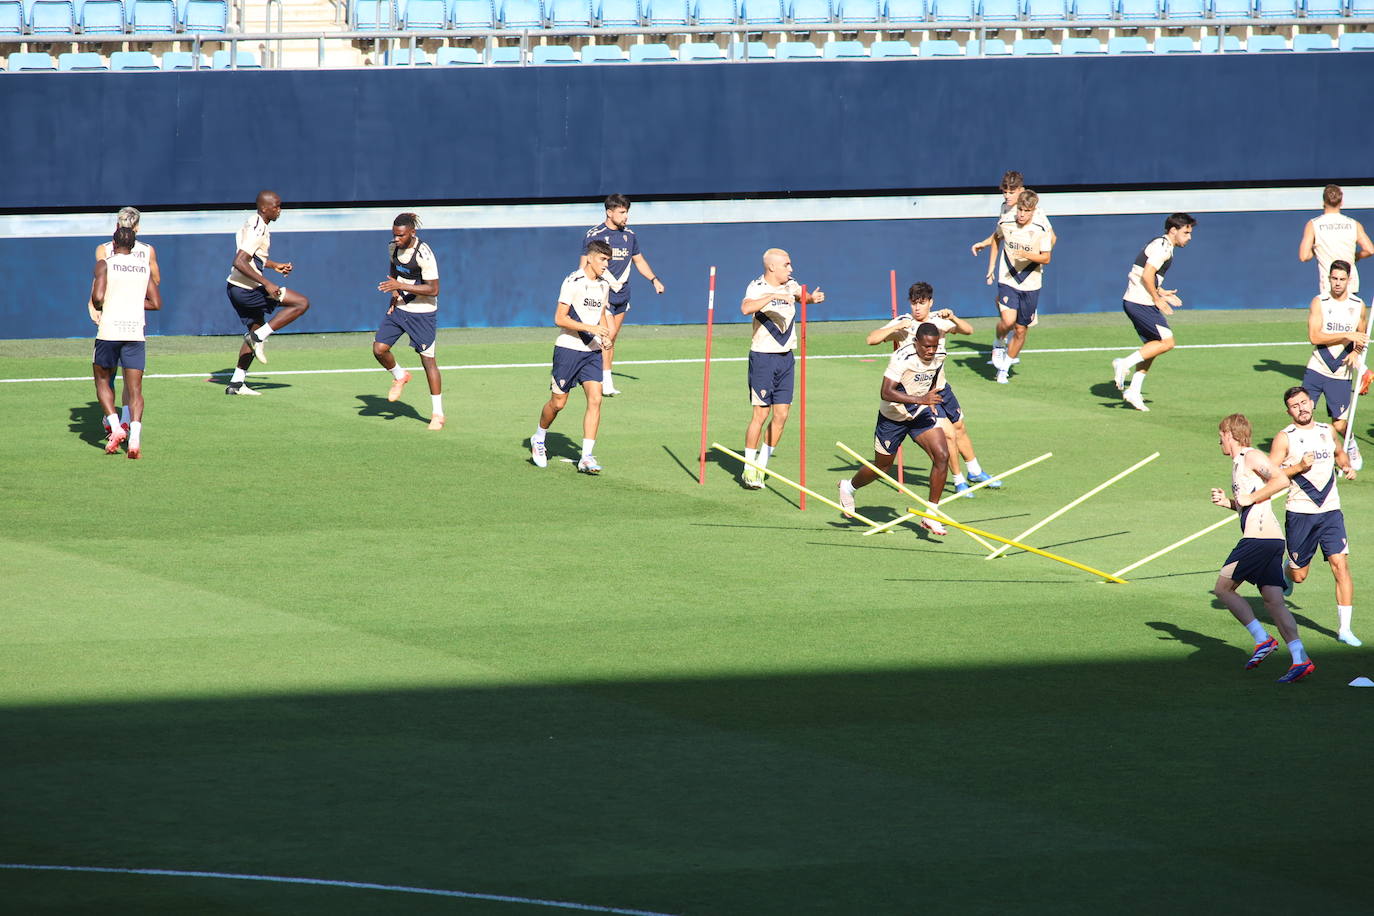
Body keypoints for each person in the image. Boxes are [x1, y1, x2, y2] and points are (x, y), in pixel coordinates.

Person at [865, 282, 1001, 498]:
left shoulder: (939, 319)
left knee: (959, 427)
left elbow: (968, 330)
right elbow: (871, 339)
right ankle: (958, 481)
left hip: (941, 386)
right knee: (946, 434)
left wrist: (953, 317)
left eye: (922, 303)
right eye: (914, 303)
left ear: (931, 303)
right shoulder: (904, 323)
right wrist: (896, 328)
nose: (917, 308)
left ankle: (975, 471)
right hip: (917, 393)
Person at [1211, 413, 1314, 683]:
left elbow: (1280, 480)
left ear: (1230, 433)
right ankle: (1300, 658)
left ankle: (1262, 640)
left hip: (1258, 539)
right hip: (1269, 539)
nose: (1219, 440)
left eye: (1221, 435)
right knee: (1273, 601)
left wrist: (1249, 497)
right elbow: (1250, 501)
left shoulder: (1250, 456)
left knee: (1223, 588)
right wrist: (1229, 503)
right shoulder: (1238, 463)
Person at [1269, 386, 1361, 647]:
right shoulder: (1284, 438)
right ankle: (1287, 570)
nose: (1302, 408)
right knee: (1300, 575)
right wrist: (1298, 467)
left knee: (1340, 565)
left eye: (1304, 403)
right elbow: (1270, 473)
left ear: (1312, 403)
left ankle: (1345, 628)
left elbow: (1340, 454)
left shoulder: (1327, 431)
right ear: (1289, 411)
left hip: (1331, 511)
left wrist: (1346, 466)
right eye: (1295, 406)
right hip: (1300, 513)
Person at [838, 323, 950, 535]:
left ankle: (931, 514)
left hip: (920, 412)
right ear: (916, 342)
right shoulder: (901, 358)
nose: (930, 351)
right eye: (926, 346)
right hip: (892, 418)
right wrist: (921, 398)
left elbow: (935, 376)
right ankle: (848, 487)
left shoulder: (940, 353)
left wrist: (930, 398)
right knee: (882, 467)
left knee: (942, 455)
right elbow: (886, 392)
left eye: (934, 346)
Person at [739, 248, 825, 489]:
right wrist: (772, 297)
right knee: (761, 414)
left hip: (786, 358)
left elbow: (801, 296)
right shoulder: (757, 286)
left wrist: (811, 298)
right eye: (787, 265)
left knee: (782, 415)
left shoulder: (791, 284)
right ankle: (748, 468)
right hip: (763, 358)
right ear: (772, 268)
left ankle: (761, 466)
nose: (791, 269)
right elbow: (746, 308)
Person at [530, 240, 615, 474]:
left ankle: (586, 457)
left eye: (608, 261)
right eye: (602, 259)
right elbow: (559, 318)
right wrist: (591, 327)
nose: (606, 265)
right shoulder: (573, 282)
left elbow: (601, 315)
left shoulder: (603, 286)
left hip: (592, 352)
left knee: (596, 399)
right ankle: (539, 438)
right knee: (558, 403)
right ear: (590, 258)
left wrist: (605, 335)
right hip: (568, 349)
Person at [224, 190, 311, 395]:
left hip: (236, 288)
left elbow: (253, 257)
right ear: (264, 208)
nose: (279, 210)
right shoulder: (257, 229)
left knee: (255, 329)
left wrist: (274, 266)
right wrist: (268, 283)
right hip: (247, 290)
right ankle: (258, 337)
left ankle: (236, 384)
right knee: (301, 303)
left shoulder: (254, 222)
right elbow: (239, 261)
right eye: (276, 206)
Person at [1111, 212, 1197, 412]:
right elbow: (1148, 274)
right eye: (1186, 232)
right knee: (1167, 342)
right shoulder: (1163, 247)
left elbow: (1144, 274)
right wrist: (1158, 300)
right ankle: (1124, 363)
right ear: (1173, 230)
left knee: (1153, 345)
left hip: (1138, 300)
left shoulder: (1162, 244)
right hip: (1140, 302)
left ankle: (1134, 389)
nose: (1189, 237)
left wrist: (1161, 292)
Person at [969, 172, 1056, 370]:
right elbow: (1001, 234)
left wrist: (1032, 252)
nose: (1007, 196)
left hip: (1030, 273)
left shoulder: (1037, 213)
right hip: (1009, 271)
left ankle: (1008, 353)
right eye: (1005, 192)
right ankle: (999, 343)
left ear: (1022, 191)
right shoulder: (1006, 210)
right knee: (1008, 317)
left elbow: (1052, 239)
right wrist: (986, 249)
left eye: (1012, 191)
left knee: (1020, 327)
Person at [581, 194, 665, 397]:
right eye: (622, 212)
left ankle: (604, 378)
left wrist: (654, 279)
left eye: (627, 212)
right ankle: (602, 381)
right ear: (609, 212)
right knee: (606, 335)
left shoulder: (630, 236)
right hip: (603, 294)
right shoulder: (595, 234)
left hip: (623, 294)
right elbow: (584, 265)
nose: (626, 216)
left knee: (612, 338)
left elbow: (639, 261)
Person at [89, 227, 162, 459]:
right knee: (135, 390)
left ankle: (116, 426)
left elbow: (98, 297)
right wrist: (131, 302)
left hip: (110, 331)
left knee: (102, 380)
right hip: (135, 332)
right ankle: (135, 437)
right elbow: (156, 302)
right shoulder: (143, 267)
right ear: (133, 244)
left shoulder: (105, 264)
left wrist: (106, 304)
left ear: (113, 242)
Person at [373, 213, 445, 431]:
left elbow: (434, 289)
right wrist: (394, 297)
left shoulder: (424, 253)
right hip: (400, 309)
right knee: (379, 349)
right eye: (394, 235)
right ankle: (400, 375)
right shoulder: (393, 247)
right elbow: (394, 271)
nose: (397, 239)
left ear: (412, 232)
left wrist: (401, 288)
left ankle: (438, 413)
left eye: (401, 235)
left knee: (427, 361)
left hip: (423, 312)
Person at [1297, 260, 1367, 441]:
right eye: (1334, 278)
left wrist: (1355, 352)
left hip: (1341, 372)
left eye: (1342, 279)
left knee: (1339, 424)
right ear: (1328, 278)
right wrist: (1346, 335)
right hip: (1317, 366)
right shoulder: (1320, 302)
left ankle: (1350, 446)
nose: (1337, 283)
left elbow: (1361, 336)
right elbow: (1315, 337)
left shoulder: (1358, 305)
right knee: (1302, 413)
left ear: (1348, 280)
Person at [1298, 184, 1373, 297]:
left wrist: (1317, 249)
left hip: (1329, 284)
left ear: (1323, 202)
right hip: (1350, 282)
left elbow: (1304, 256)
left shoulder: (1314, 224)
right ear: (1341, 202)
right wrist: (1356, 256)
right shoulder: (1353, 224)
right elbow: (1370, 250)